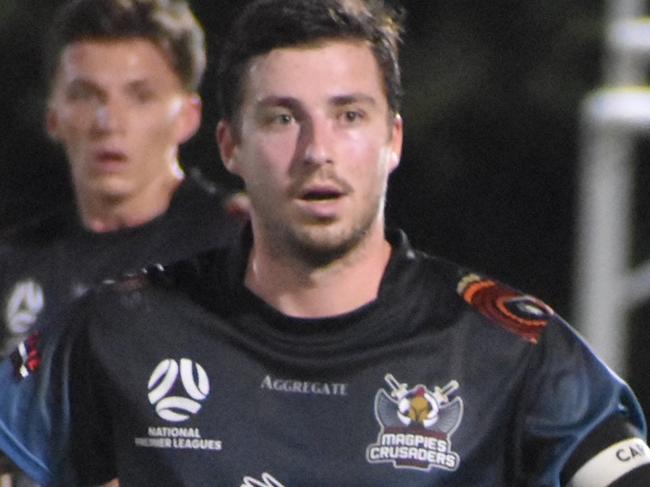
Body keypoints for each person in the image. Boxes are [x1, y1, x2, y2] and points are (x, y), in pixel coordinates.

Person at [1, 0, 649, 485]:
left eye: (349, 116)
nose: (318, 152)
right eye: (283, 118)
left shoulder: (510, 349)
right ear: (230, 145)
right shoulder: (117, 328)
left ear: (392, 138)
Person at [0, 0, 244, 484]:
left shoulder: (239, 242)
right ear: (54, 115)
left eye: (140, 96)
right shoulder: (14, 262)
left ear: (188, 116)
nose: (108, 120)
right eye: (86, 94)